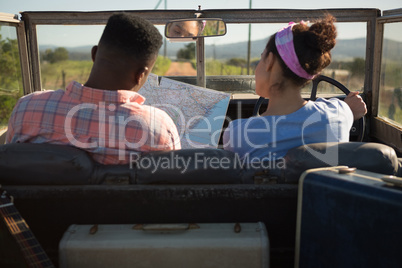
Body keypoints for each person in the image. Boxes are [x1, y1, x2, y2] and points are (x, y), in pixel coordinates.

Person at [6, 13, 181, 164]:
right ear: (141, 75)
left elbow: (10, 167)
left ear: (94, 54)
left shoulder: (27, 108)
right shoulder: (159, 128)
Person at [222, 15, 367, 162]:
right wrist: (350, 110)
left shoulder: (237, 134)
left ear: (270, 62)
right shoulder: (337, 114)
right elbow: (353, 109)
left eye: (261, 57)